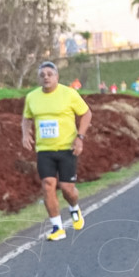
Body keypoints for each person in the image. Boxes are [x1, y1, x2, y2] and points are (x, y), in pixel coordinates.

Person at [22, 61, 92, 241]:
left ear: (56, 77)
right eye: (42, 75)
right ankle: (57, 227)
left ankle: (74, 208)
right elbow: (26, 118)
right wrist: (25, 134)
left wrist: (80, 137)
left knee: (67, 188)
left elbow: (86, 114)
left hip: (66, 148)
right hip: (44, 150)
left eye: (49, 74)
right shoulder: (32, 97)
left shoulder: (69, 94)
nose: (46, 77)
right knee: (47, 184)